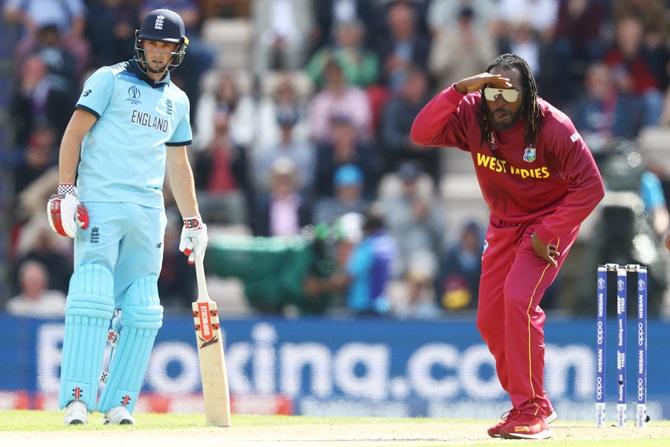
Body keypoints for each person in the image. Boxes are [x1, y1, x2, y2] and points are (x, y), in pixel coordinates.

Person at [410, 53, 605, 440]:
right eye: (492, 94)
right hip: (503, 225)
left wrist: (548, 230)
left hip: (547, 226)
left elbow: (592, 187)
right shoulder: (473, 112)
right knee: (489, 319)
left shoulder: (553, 126)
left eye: (510, 96)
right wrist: (458, 89)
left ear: (528, 96)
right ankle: (528, 404)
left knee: (519, 300)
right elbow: (421, 133)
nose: (500, 104)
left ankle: (531, 410)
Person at [45, 9, 207, 425]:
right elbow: (73, 134)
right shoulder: (108, 80)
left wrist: (192, 220)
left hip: (148, 214)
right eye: (151, 43)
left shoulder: (177, 100)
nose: (156, 51)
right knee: (93, 295)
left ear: (177, 51)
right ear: (140, 42)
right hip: (101, 202)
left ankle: (119, 403)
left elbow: (179, 165)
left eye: (165, 45)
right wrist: (67, 190)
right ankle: (77, 398)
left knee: (142, 307)